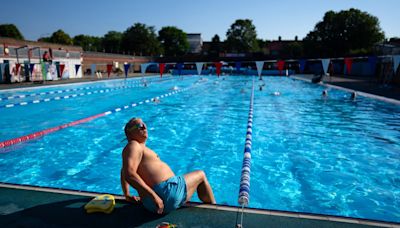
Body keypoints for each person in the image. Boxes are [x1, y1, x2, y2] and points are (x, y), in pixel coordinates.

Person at [120, 118, 215, 214]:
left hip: (153, 203)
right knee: (201, 175)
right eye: (140, 126)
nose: (144, 127)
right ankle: (216, 210)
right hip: (165, 193)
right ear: (129, 133)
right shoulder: (134, 145)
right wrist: (154, 196)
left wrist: (127, 194)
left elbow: (124, 170)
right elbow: (129, 174)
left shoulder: (136, 149)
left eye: (144, 124)